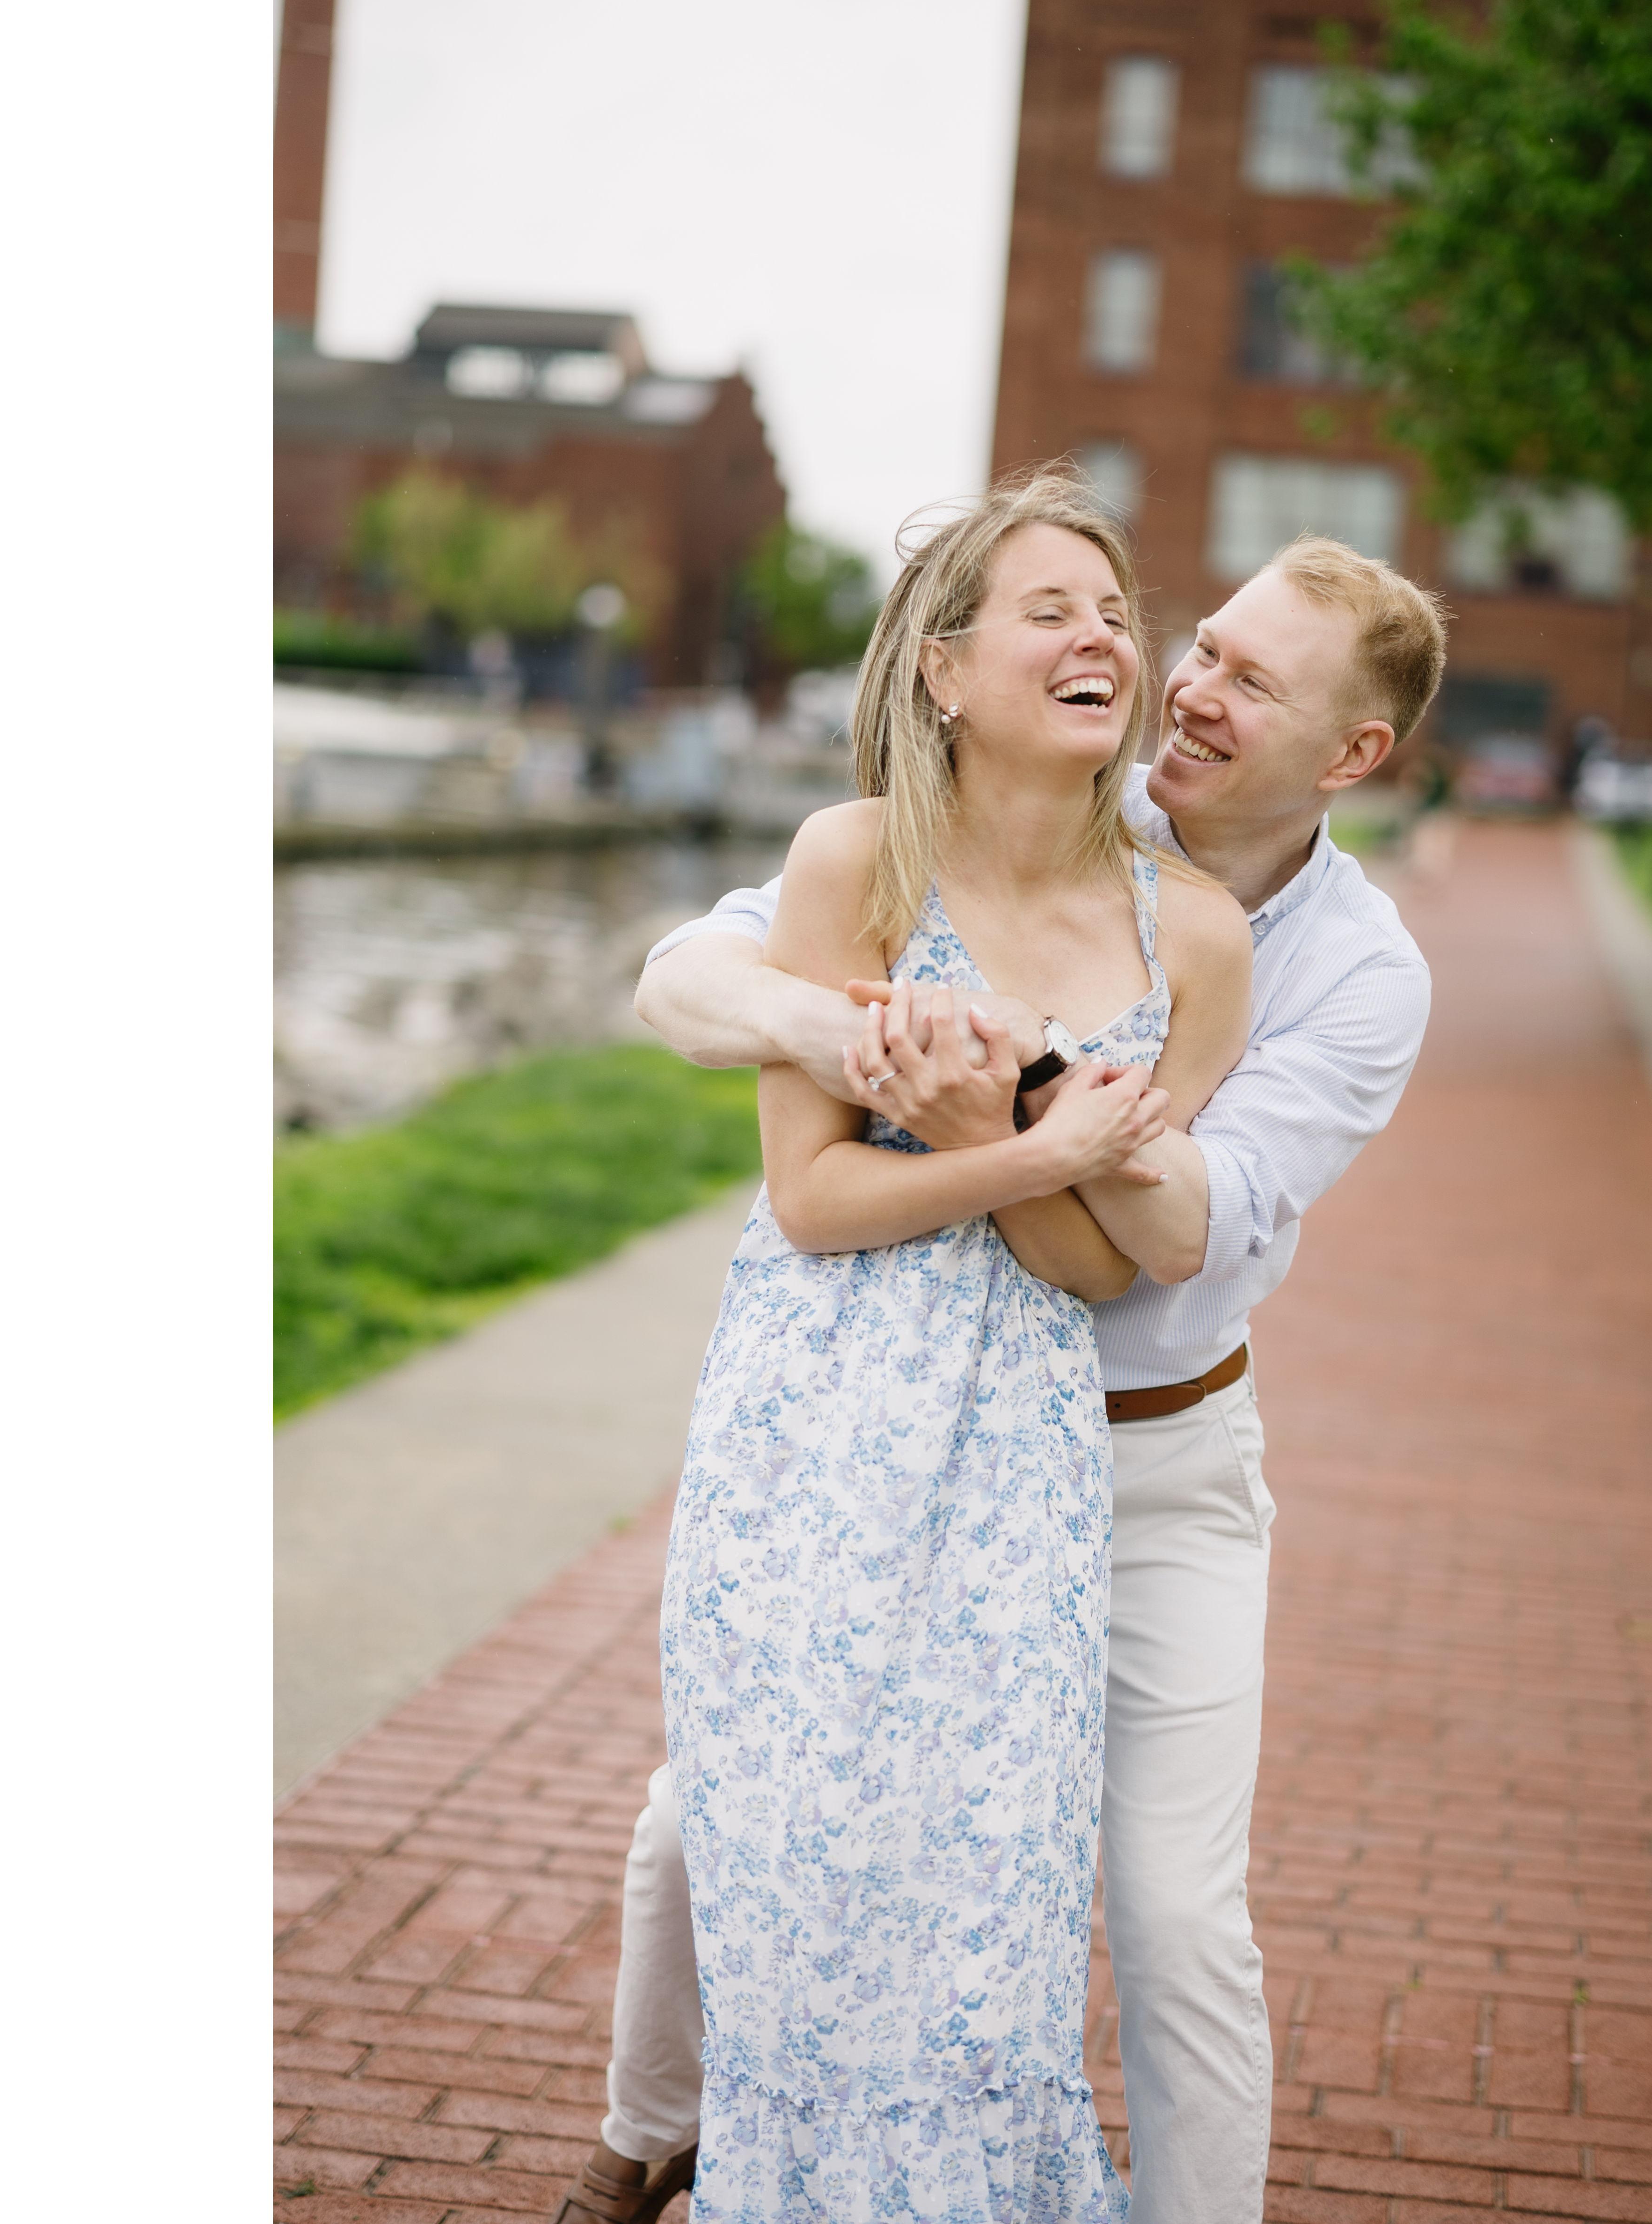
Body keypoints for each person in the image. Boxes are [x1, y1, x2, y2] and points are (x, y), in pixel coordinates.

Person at [553, 527, 1446, 2224]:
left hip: (1154, 1458)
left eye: (1249, 681)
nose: (1187, 679)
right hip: (909, 1441)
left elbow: (1190, 1221)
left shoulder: (1348, 971)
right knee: (705, 1823)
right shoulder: (1029, 806)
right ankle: (650, 2133)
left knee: (1172, 1917)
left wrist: (997, 1100)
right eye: (1205, 643)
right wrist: (847, 1032)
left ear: (1353, 757)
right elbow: (693, 976)